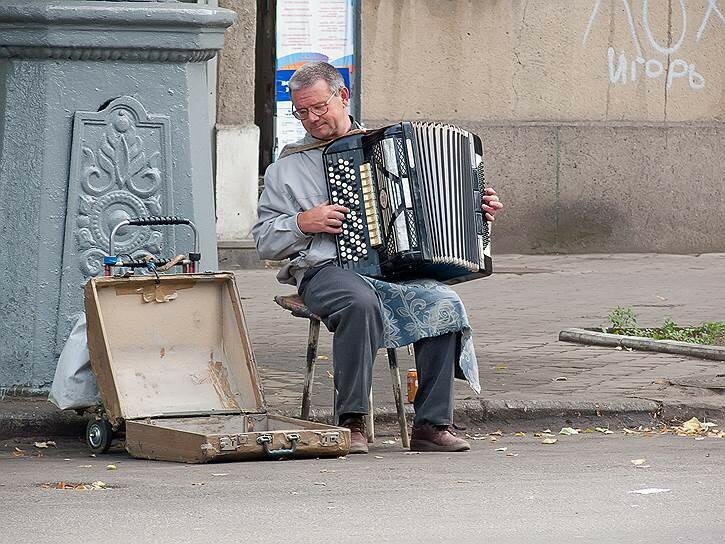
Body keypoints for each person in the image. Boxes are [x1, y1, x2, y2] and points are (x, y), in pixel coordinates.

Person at [253, 62, 503, 454]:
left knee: (444, 302)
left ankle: (432, 425)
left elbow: (434, 202)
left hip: (393, 268)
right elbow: (265, 241)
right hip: (324, 270)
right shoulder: (285, 168)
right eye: (301, 112)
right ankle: (351, 422)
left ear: (343, 97)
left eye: (319, 107)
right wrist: (304, 221)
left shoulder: (386, 147)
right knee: (359, 302)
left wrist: (476, 208)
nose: (312, 119)